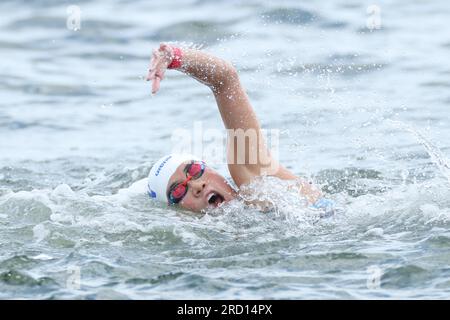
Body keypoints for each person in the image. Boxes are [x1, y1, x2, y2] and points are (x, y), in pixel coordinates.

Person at [146, 43, 334, 214]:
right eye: (178, 190)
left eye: (195, 170)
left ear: (214, 171)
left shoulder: (259, 187)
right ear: (178, 212)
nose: (197, 186)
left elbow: (225, 80)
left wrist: (177, 57)